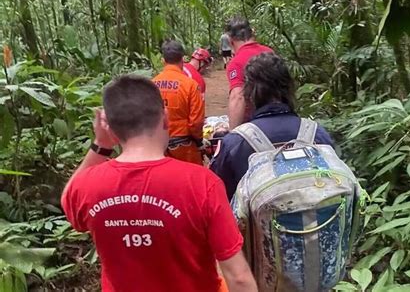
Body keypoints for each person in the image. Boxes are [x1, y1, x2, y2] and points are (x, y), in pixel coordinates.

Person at [61, 75, 258, 292]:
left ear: (112, 130)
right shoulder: (201, 183)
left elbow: (68, 199)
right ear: (165, 118)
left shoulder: (89, 185)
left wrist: (100, 144)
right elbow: (238, 277)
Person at [211, 53, 334, 200]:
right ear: (289, 88)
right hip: (316, 221)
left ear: (250, 93)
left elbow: (218, 196)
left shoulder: (235, 143)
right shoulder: (316, 134)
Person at [152, 40, 205, 165]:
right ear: (182, 60)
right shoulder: (190, 85)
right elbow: (196, 122)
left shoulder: (151, 85)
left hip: (158, 148)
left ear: (163, 61)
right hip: (185, 148)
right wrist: (199, 141)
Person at [225, 16, 273, 129]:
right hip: (277, 116)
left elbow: (238, 97)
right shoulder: (270, 52)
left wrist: (233, 134)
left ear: (231, 41)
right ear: (252, 34)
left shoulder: (236, 62)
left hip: (254, 123)